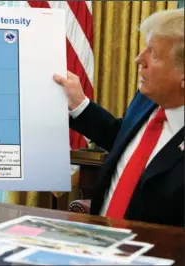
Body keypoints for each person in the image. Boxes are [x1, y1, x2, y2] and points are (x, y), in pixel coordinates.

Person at [53, 8, 184, 227]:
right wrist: (80, 105)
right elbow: (125, 141)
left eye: (153, 53)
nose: (138, 59)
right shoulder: (147, 98)